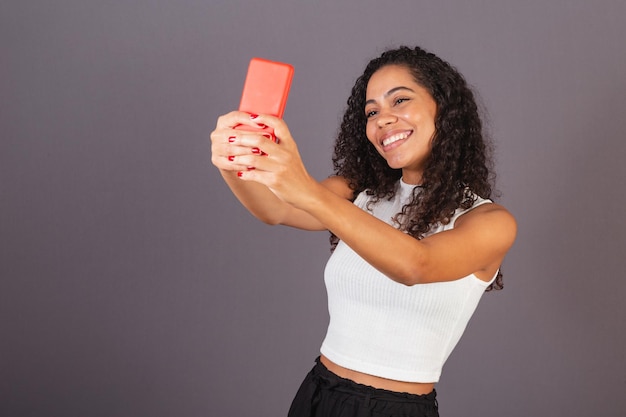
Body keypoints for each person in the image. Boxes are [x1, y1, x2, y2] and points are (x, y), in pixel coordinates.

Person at [210, 46, 517, 417]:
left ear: (445, 110)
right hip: (317, 393)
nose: (382, 120)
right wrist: (234, 162)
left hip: (395, 409)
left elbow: (415, 264)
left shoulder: (489, 222)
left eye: (399, 100)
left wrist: (304, 187)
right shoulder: (361, 192)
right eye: (372, 112)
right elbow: (276, 209)